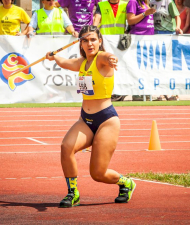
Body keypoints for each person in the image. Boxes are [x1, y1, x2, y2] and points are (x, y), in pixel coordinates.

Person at [45, 25, 136, 208]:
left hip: (106, 121)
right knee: (66, 146)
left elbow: (108, 56)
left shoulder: (102, 59)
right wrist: (54, 56)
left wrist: (112, 58)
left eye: (93, 39)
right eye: (85, 40)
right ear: (80, 43)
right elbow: (64, 63)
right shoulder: (82, 63)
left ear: (99, 41)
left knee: (98, 174)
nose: (89, 43)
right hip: (85, 119)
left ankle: (126, 183)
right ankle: (73, 194)